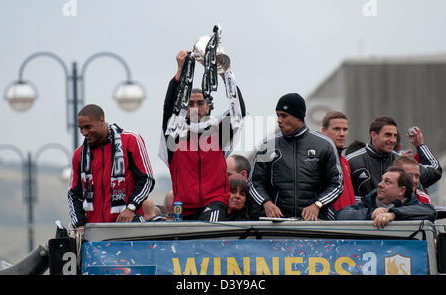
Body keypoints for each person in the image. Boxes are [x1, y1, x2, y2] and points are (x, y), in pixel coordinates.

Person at [160, 50, 246, 221]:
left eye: (200, 103)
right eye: (190, 104)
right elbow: (168, 107)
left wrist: (225, 72)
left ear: (207, 108)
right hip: (183, 207)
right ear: (184, 109)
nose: (195, 107)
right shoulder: (174, 136)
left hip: (214, 202)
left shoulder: (218, 133)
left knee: (208, 231)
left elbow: (239, 112)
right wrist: (180, 71)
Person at [249, 93, 343, 221]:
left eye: (284, 115)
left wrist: (317, 205)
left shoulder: (324, 144)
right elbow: (254, 182)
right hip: (277, 224)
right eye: (278, 115)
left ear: (298, 117)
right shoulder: (268, 145)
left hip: (314, 224)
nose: (279, 120)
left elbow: (337, 183)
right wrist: (267, 203)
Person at [68, 104, 154, 229]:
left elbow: (147, 179)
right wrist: (80, 225)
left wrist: (131, 207)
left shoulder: (131, 140)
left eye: (88, 127)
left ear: (101, 121)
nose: (84, 132)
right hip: (95, 231)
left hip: (128, 227)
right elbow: (73, 194)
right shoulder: (79, 155)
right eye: (81, 128)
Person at [346, 117, 441, 200]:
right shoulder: (351, 161)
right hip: (362, 219)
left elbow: (435, 171)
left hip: (398, 218)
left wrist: (421, 145)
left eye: (394, 136)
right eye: (388, 135)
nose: (392, 140)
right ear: (373, 135)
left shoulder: (401, 162)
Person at [335, 166, 436, 228]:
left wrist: (393, 215)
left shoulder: (414, 206)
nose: (380, 184)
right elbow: (340, 216)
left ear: (402, 191)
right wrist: (370, 214)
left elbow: (430, 212)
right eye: (382, 180)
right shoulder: (367, 203)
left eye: (387, 182)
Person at [321, 111, 356, 210]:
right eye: (337, 129)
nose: (342, 134)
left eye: (345, 129)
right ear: (324, 131)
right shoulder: (319, 160)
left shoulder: (345, 161)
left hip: (347, 221)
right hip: (331, 222)